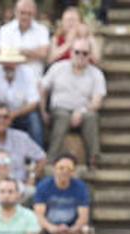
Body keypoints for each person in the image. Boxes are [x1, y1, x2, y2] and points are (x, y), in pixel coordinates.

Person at [41, 41, 106, 169]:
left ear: (90, 56)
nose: (80, 56)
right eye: (77, 52)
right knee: (63, 117)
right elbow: (42, 89)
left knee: (91, 117)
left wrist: (81, 111)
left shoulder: (96, 74)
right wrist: (43, 111)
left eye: (85, 53)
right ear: (71, 53)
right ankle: (51, 159)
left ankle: (94, 159)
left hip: (83, 110)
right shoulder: (57, 68)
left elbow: (97, 101)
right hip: (59, 109)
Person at [0, 49, 43, 149]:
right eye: (6, 62)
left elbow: (33, 102)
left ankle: (37, 153)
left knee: (34, 119)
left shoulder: (28, 73)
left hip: (21, 112)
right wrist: (1, 112)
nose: (8, 65)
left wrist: (14, 114)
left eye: (11, 62)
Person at [0, 103, 46, 185]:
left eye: (5, 117)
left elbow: (42, 158)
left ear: (10, 119)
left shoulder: (22, 138)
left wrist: (32, 176)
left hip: (20, 186)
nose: (1, 120)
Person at [33, 154, 93, 234]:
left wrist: (73, 229)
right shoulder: (43, 186)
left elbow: (84, 216)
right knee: (35, 233)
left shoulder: (80, 187)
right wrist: (51, 228)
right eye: (61, 168)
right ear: (54, 169)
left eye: (69, 169)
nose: (64, 172)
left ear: (73, 172)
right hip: (49, 228)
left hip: (72, 229)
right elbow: (39, 215)